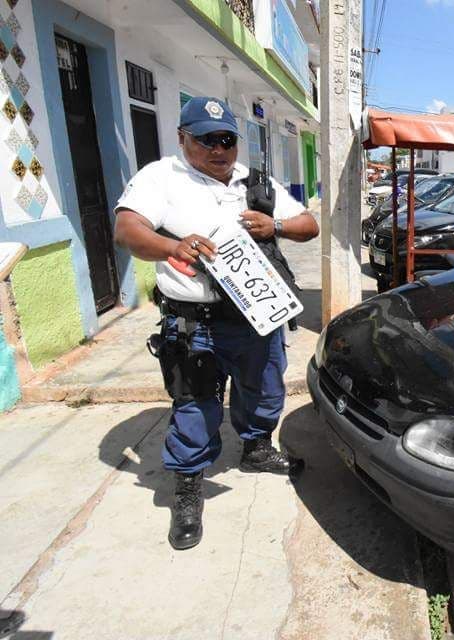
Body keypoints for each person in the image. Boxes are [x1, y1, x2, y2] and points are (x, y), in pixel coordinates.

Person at [113, 97, 320, 550]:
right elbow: (127, 230)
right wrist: (171, 248)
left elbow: (308, 225)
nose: (217, 148)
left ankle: (256, 448)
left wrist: (276, 227)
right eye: (205, 139)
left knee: (264, 389)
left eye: (225, 138)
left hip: (256, 319)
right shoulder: (161, 177)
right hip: (196, 322)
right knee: (195, 404)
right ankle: (188, 488)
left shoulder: (256, 182)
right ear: (182, 138)